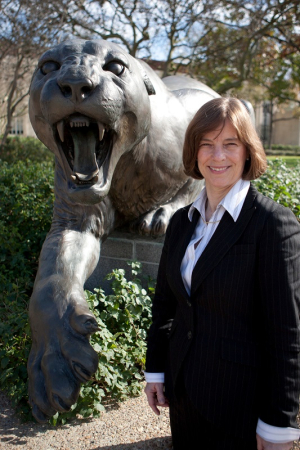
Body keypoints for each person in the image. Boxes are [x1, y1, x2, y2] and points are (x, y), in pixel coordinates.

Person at [144, 97, 300, 450]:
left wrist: (279, 425)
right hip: (183, 395)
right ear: (194, 152)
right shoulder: (181, 223)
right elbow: (166, 306)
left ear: (247, 152)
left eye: (230, 144)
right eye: (207, 144)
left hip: (241, 405)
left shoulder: (272, 224)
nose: (218, 156)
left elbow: (287, 335)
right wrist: (155, 370)